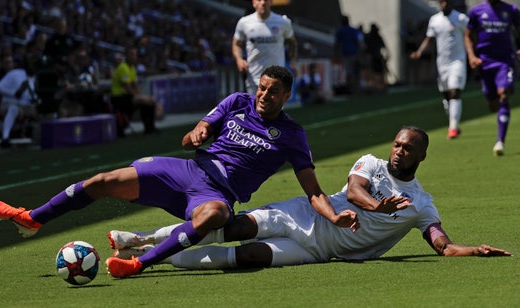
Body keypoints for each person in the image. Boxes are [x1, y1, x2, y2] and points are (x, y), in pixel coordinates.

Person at [0, 66, 359, 278]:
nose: (264, 96)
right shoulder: (236, 103)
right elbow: (190, 137)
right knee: (103, 181)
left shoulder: (292, 135)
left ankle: (137, 264)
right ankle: (32, 218)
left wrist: (334, 217)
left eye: (273, 92)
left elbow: (313, 191)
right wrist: (196, 133)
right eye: (262, 88)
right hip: (184, 171)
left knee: (214, 215)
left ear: (286, 96)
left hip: (213, 194)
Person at [109, 126, 511, 271]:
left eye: (408, 148)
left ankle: (172, 259)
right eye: (397, 145)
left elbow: (441, 244)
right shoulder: (371, 163)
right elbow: (353, 191)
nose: (399, 151)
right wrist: (375, 207)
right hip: (304, 214)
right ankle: (142, 239)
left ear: (422, 155)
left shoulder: (422, 204)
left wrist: (473, 250)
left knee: (248, 258)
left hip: (321, 250)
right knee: (231, 226)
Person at [464, 0, 520, 155]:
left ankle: (500, 141)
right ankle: (494, 101)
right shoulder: (476, 11)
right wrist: (471, 56)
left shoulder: (511, 10)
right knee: (493, 104)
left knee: (504, 94)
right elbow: (468, 36)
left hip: (505, 61)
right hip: (485, 63)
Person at [410, 0, 469, 140]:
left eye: (447, 2)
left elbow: (469, 37)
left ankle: (453, 128)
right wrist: (419, 52)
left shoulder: (461, 18)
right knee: (447, 96)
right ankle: (454, 123)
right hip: (442, 64)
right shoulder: (434, 20)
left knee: (455, 91)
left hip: (458, 61)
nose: (444, 4)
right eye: (441, 2)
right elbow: (429, 39)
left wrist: (473, 54)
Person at [232, 0, 298, 94]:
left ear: (270, 2)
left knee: (275, 109)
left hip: (277, 79)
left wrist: (293, 61)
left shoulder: (283, 22)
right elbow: (236, 43)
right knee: (254, 108)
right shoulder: (244, 23)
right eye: (259, 0)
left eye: (266, 0)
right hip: (253, 78)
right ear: (254, 3)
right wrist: (238, 59)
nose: (263, 3)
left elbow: (292, 42)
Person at [0, 54, 40, 148]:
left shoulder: (35, 77)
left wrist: (35, 99)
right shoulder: (14, 73)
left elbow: (33, 98)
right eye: (31, 63)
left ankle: (42, 137)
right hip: (9, 103)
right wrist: (15, 93)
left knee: (43, 111)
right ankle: (5, 138)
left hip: (26, 107)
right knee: (13, 109)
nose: (33, 66)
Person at [110, 46, 157, 137]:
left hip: (127, 96)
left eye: (135, 54)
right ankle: (149, 128)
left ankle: (150, 128)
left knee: (149, 101)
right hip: (119, 97)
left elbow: (135, 85)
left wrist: (142, 96)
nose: (133, 56)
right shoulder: (123, 68)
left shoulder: (132, 68)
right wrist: (140, 97)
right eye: (131, 54)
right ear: (127, 55)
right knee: (145, 101)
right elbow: (128, 87)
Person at [334, 15, 364, 94]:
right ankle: (356, 89)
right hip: (354, 53)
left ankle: (351, 89)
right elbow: (360, 43)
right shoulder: (354, 30)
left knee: (349, 72)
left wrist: (336, 54)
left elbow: (337, 44)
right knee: (356, 71)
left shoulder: (340, 31)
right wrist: (361, 53)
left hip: (346, 54)